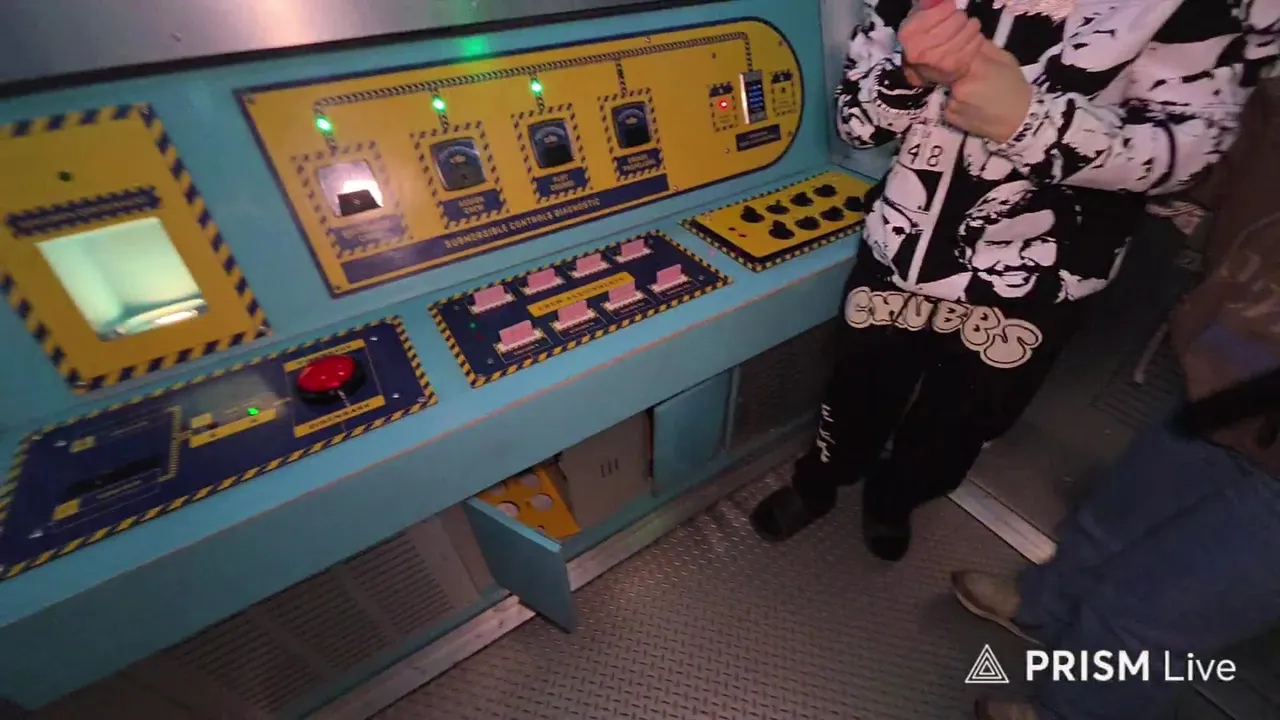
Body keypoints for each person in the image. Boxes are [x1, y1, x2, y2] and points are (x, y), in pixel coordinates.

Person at [749, 0, 1279, 562]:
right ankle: (820, 480)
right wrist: (908, 75)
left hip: (1038, 285)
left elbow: (1188, 155)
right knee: (855, 387)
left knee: (964, 418)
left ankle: (895, 499)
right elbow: (855, 123)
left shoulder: (1187, 11)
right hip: (898, 256)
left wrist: (1029, 122)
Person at [952, 73, 1280, 720]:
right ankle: (1047, 607)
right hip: (1230, 384)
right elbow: (1194, 170)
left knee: (1149, 612)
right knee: (1112, 521)